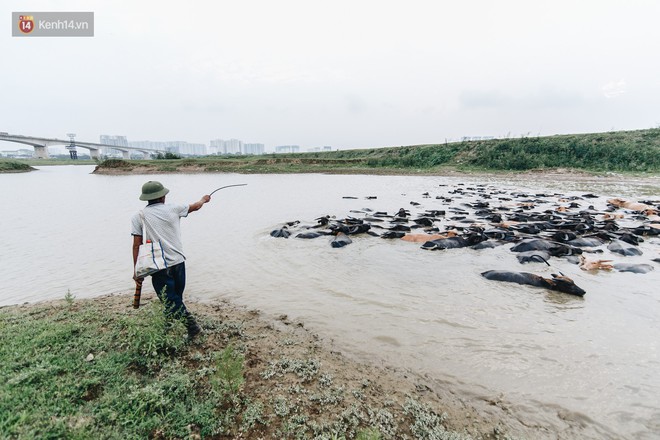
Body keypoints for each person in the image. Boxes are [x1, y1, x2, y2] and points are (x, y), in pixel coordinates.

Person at [131, 180, 211, 338]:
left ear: (147, 198)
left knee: (172, 299)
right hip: (179, 262)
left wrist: (137, 270)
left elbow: (136, 245)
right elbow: (195, 206)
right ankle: (167, 324)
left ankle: (193, 328)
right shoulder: (174, 208)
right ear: (162, 197)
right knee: (175, 298)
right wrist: (203, 199)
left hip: (159, 266)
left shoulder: (138, 216)